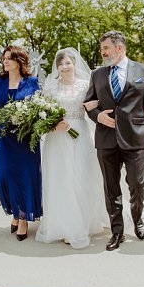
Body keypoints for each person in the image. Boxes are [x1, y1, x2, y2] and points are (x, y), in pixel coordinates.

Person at [83, 32, 144, 251]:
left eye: (106, 48)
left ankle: (137, 219)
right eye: (102, 49)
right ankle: (117, 232)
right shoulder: (97, 74)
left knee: (136, 184)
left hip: (136, 137)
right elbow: (88, 104)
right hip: (106, 139)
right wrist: (99, 116)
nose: (103, 52)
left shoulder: (143, 71)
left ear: (119, 48)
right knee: (111, 188)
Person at [38, 48, 107, 248]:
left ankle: (80, 224)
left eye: (68, 63)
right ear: (57, 67)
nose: (65, 67)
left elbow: (93, 107)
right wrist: (53, 124)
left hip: (80, 135)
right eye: (61, 64)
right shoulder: (50, 86)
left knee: (80, 178)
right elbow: (42, 112)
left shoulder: (86, 85)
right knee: (60, 179)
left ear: (75, 64)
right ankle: (62, 225)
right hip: (58, 137)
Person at [0, 45, 43, 240]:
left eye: (10, 58)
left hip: (25, 139)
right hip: (4, 138)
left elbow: (38, 109)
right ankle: (16, 212)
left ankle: (23, 218)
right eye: (4, 58)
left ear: (20, 60)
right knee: (5, 176)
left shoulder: (32, 82)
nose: (6, 61)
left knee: (24, 177)